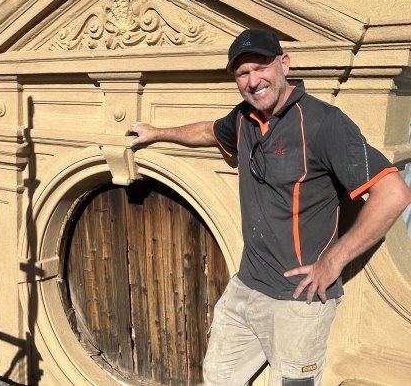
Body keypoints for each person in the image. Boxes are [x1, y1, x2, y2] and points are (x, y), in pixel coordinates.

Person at [126, 29, 411, 385]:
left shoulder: (324, 123)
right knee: (218, 376)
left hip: (299, 300)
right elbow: (208, 132)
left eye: (261, 67)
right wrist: (157, 132)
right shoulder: (243, 119)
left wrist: (333, 261)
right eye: (242, 73)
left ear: (284, 64)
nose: (253, 80)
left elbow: (394, 193)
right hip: (247, 286)